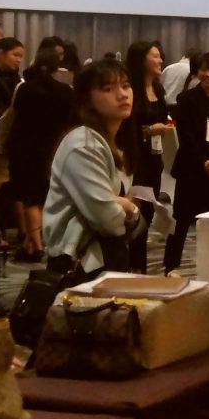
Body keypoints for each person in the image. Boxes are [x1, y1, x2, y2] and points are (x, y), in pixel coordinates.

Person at [44, 60, 142, 275]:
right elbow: (109, 221)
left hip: (107, 255)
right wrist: (130, 208)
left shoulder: (116, 142)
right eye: (108, 89)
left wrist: (122, 206)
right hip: (79, 262)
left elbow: (121, 220)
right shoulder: (83, 144)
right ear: (87, 100)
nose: (122, 95)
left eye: (126, 86)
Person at [164, 52, 209, 274]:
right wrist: (204, 162)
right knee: (180, 221)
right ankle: (170, 267)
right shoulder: (186, 99)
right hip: (191, 170)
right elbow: (186, 136)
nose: (207, 74)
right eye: (204, 69)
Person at [3, 46, 76, 260]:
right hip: (54, 149)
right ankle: (33, 243)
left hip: (25, 148)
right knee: (43, 196)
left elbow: (13, 118)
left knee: (29, 198)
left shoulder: (24, 89)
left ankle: (35, 245)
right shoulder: (66, 91)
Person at [122, 41, 173, 267]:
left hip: (154, 158)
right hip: (135, 159)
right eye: (155, 56)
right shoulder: (129, 90)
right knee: (134, 211)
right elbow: (125, 127)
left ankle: (139, 265)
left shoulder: (158, 89)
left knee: (149, 211)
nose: (160, 60)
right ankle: (133, 263)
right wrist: (149, 130)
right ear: (142, 60)